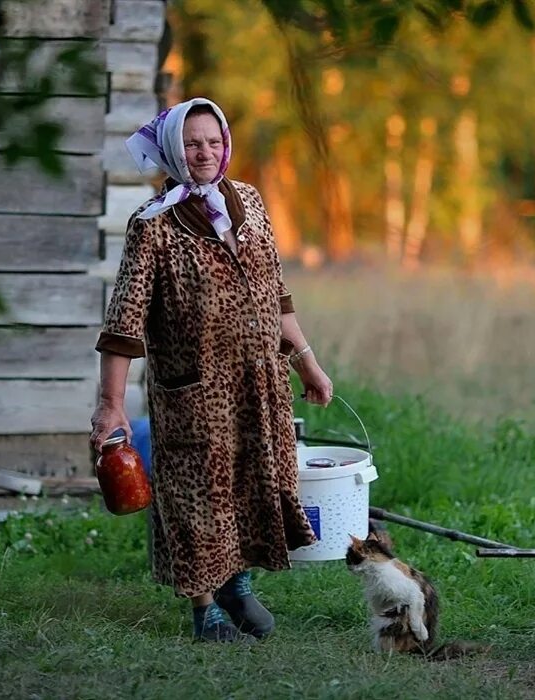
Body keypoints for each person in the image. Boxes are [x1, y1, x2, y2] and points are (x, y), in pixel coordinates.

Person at [89, 97, 334, 643]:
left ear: (227, 144)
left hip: (259, 385)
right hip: (193, 392)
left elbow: (278, 297)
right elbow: (124, 323)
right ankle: (207, 610)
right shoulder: (152, 225)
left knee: (250, 484)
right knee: (197, 496)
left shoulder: (248, 200)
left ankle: (237, 584)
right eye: (193, 143)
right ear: (175, 149)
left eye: (214, 141)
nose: (205, 152)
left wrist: (308, 365)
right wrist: (109, 406)